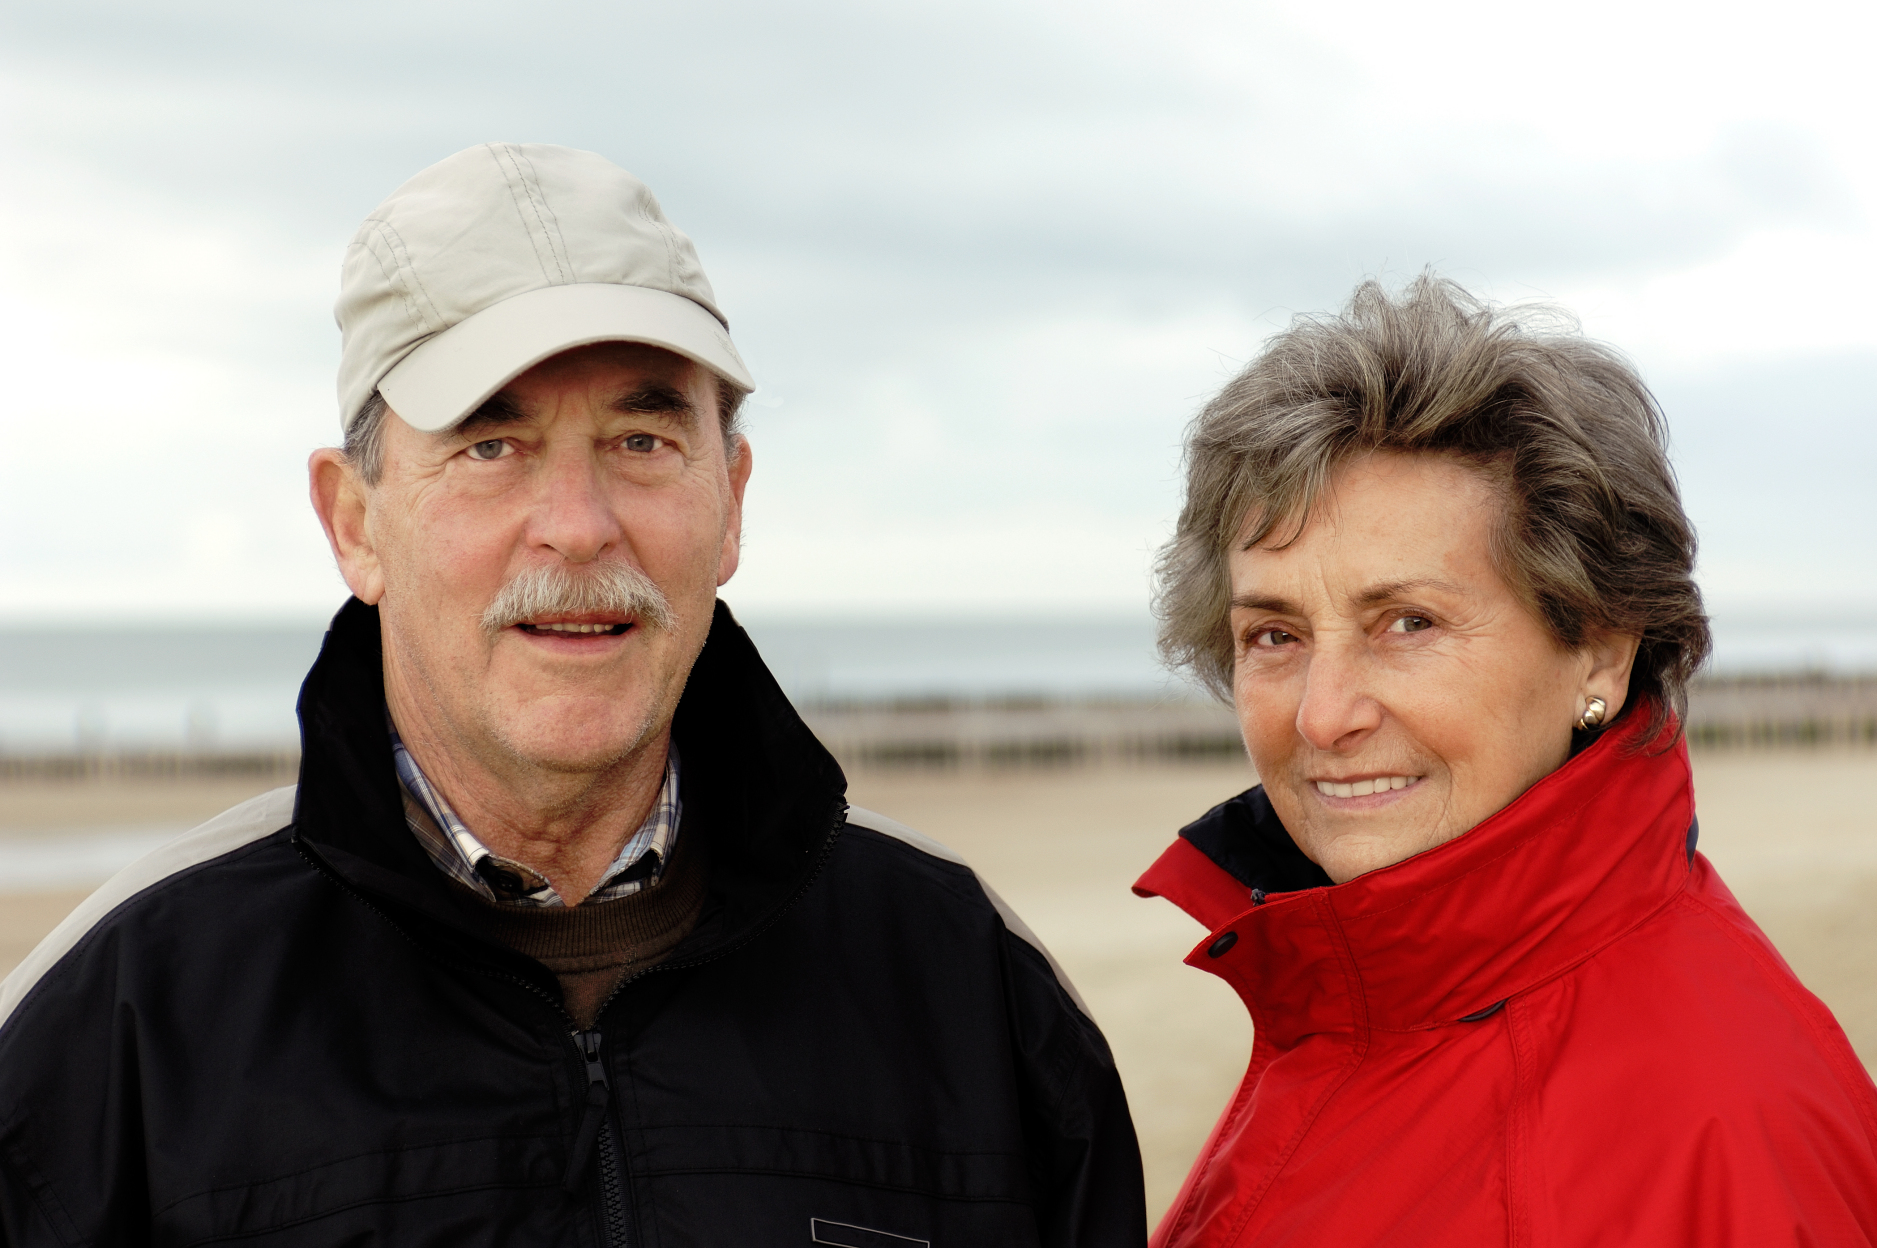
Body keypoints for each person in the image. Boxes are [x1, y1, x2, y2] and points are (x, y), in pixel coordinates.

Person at [0, 143, 1146, 1247]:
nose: (580, 524)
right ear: (355, 522)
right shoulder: (125, 1016)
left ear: (731, 498)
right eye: (491, 446)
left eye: (641, 439)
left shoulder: (963, 981)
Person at [1134, 277, 1877, 1246]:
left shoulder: (1718, 1128)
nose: (1320, 716)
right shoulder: (1364, 1002)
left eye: (1408, 622)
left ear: (1599, 648)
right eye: (1272, 634)